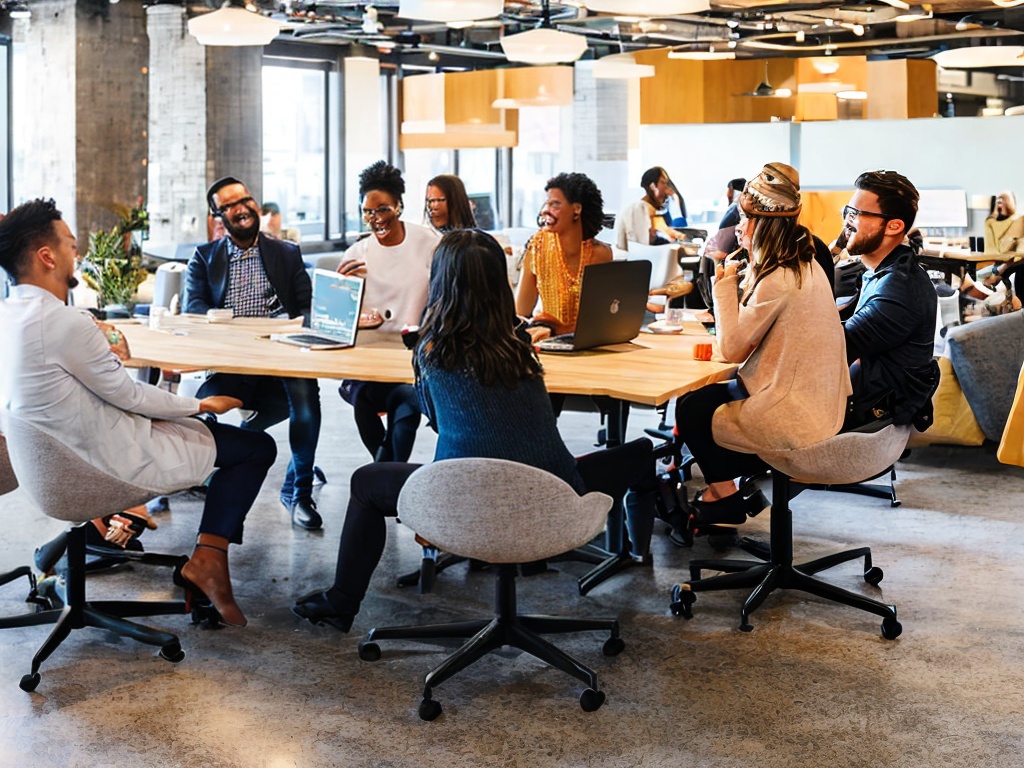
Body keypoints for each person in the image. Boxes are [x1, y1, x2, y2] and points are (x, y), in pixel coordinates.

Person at [291, 229, 656, 632]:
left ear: (442, 281)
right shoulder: (520, 346)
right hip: (552, 501)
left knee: (365, 484)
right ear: (500, 284)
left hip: (463, 502)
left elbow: (436, 419)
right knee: (640, 453)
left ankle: (342, 604)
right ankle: (639, 555)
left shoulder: (430, 351)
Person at [0, 198, 276, 627]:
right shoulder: (63, 323)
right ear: (47, 256)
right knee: (255, 447)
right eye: (72, 245)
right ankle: (207, 560)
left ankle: (207, 561)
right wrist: (200, 404)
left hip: (47, 468)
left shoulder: (10, 314)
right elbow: (130, 397)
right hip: (94, 466)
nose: (80, 254)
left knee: (197, 431)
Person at [674, 163, 851, 527]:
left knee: (693, 413)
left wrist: (724, 283)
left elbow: (732, 350)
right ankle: (726, 498)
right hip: (818, 401)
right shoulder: (804, 262)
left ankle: (724, 499)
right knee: (696, 402)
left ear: (762, 223)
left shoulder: (778, 277)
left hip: (796, 416)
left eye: (744, 218)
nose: (739, 226)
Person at [185, 177, 323, 530]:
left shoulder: (286, 253)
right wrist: (231, 328)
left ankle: (300, 493)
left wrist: (289, 328)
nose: (241, 208)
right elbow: (194, 307)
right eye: (230, 205)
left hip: (283, 356)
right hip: (232, 359)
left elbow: (308, 307)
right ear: (218, 216)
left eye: (244, 199)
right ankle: (207, 477)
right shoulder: (204, 258)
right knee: (202, 411)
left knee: (306, 401)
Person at [337, 161, 439, 463]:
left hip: (413, 355)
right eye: (367, 211)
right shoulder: (356, 254)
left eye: (382, 209)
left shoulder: (428, 244)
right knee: (364, 402)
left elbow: (444, 300)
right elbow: (337, 322)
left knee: (406, 402)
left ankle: (384, 471)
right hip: (368, 355)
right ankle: (389, 474)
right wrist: (343, 289)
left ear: (399, 206)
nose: (375, 218)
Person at [841, 170, 939, 430]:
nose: (848, 222)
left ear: (894, 226)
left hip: (867, 418)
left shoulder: (898, 288)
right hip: (864, 403)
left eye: (857, 215)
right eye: (848, 212)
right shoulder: (884, 272)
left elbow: (834, 348)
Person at [515, 172, 613, 342]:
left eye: (555, 204)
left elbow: (608, 313)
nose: (545, 210)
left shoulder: (601, 254)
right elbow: (520, 313)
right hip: (547, 340)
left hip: (590, 342)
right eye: (547, 204)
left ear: (577, 209)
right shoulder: (537, 248)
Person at [614, 166, 688, 251]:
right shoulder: (639, 209)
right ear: (653, 186)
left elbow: (668, 232)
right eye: (663, 182)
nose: (668, 189)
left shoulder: (652, 211)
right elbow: (642, 247)